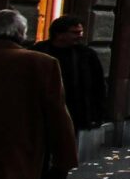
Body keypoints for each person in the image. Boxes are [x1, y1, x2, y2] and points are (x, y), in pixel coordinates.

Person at [0, 8, 74, 179]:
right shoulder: (41, 63)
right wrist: (65, 155)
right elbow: (56, 113)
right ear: (21, 33)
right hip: (17, 149)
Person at [40, 15, 109, 149]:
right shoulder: (39, 51)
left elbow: (98, 85)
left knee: (66, 149)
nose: (80, 36)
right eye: (75, 32)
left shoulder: (86, 55)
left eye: (81, 32)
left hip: (73, 112)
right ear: (59, 34)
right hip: (43, 110)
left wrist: (98, 113)